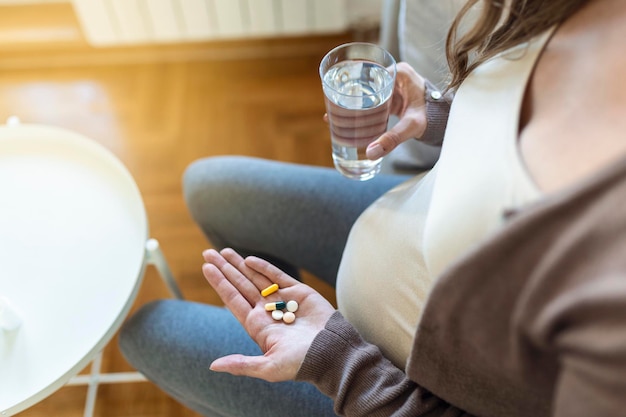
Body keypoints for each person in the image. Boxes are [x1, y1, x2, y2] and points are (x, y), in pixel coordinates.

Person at [119, 0, 626, 416]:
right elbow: (526, 141)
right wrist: (443, 116)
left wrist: (336, 363)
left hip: (387, 391)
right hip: (410, 219)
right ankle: (280, 311)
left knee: (148, 330)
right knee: (209, 184)